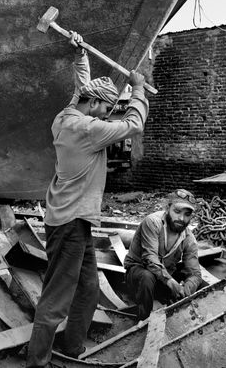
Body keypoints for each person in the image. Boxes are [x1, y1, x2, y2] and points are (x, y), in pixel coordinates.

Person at [26, 32, 149, 368]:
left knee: (89, 288)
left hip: (73, 220)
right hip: (70, 223)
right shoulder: (88, 130)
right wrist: (137, 88)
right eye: (107, 109)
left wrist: (81, 54)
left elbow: (81, 87)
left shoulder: (67, 116)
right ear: (95, 105)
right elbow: (134, 123)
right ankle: (36, 362)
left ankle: (72, 348)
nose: (108, 115)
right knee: (55, 299)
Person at [123, 189, 203, 320]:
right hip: (138, 277)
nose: (181, 219)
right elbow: (150, 259)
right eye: (177, 212)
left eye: (187, 214)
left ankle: (182, 315)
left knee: (200, 283)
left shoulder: (189, 237)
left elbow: (195, 273)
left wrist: (187, 289)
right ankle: (144, 320)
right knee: (147, 276)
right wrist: (172, 283)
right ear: (167, 208)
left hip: (163, 280)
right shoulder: (153, 222)